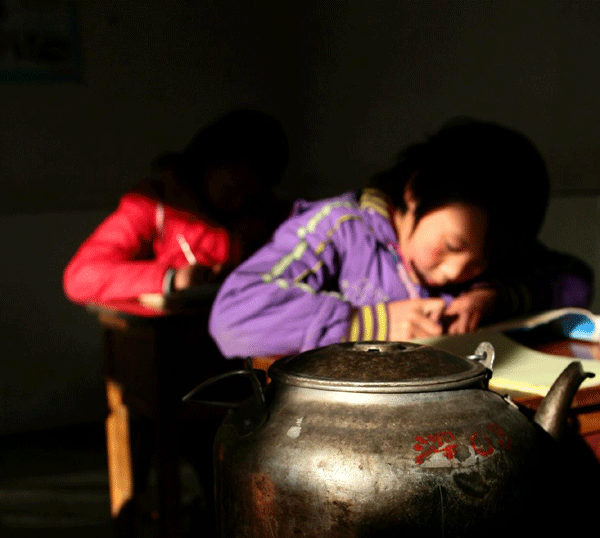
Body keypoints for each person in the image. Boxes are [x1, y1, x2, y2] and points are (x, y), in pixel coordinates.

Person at [208, 118, 593, 358]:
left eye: (478, 264)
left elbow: (575, 280)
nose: (454, 272)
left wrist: (496, 297)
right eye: (453, 246)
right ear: (415, 190)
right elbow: (233, 317)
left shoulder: (488, 250)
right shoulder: (339, 228)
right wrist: (365, 323)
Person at [63, 109, 290, 305]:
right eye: (233, 188)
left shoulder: (267, 211)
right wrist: (171, 279)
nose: (239, 202)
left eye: (251, 195)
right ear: (209, 162)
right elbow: (80, 277)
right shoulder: (154, 204)